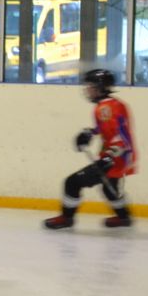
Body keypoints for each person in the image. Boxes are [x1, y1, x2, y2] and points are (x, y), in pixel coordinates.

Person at [44, 68, 137, 230]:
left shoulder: (106, 108)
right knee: (110, 188)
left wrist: (109, 156)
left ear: (101, 87)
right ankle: (124, 217)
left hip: (114, 158)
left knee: (72, 182)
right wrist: (91, 132)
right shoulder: (113, 104)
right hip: (121, 156)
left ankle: (67, 218)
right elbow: (111, 128)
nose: (87, 90)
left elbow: (120, 137)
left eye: (91, 86)